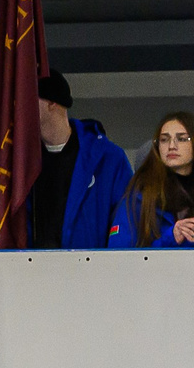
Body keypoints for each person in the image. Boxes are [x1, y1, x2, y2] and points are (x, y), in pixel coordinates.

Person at [27, 70, 133, 248]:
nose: (19, 109)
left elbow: (127, 222)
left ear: (52, 102)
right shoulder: (16, 163)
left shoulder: (108, 159)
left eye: (27, 99)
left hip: (92, 272)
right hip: (28, 271)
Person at [109, 110, 194, 247]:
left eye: (182, 139)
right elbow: (119, 255)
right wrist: (171, 238)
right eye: (164, 140)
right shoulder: (138, 197)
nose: (172, 146)